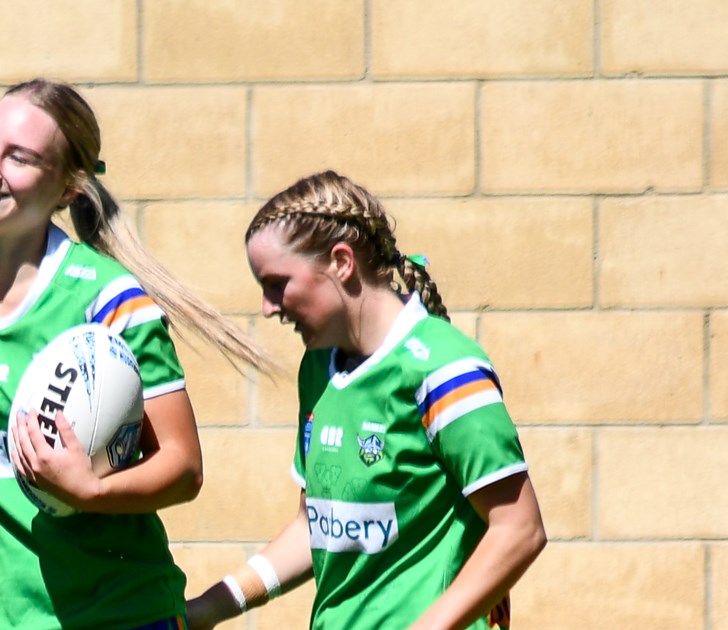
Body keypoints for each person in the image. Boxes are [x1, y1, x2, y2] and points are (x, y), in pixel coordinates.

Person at [0, 79, 273, 629]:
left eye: (20, 158)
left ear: (67, 188)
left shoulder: (108, 302)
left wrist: (91, 489)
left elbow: (183, 468)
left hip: (115, 614)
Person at [184, 171, 545, 630]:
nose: (267, 308)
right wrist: (211, 608)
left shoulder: (444, 367)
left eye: (278, 284)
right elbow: (315, 526)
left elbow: (519, 529)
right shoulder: (318, 368)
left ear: (341, 262)